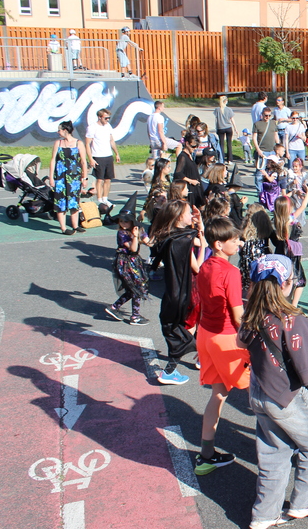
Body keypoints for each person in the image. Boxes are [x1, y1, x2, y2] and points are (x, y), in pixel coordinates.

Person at [237, 254, 308, 529]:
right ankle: (303, 502)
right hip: (285, 395)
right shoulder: (293, 318)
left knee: (273, 452)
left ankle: (264, 514)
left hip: (259, 389)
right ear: (287, 284)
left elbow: (241, 341)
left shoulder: (252, 313)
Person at [195, 217, 251, 476]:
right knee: (260, 390)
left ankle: (206, 455)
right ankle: (281, 445)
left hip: (206, 335)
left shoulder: (205, 266)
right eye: (234, 240)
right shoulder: (231, 272)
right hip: (226, 338)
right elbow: (238, 316)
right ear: (219, 244)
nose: (239, 243)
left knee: (218, 394)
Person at [149, 199, 207, 385]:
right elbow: (197, 265)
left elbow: (197, 238)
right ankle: (171, 370)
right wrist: (203, 247)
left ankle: (200, 357)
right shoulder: (182, 241)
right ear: (179, 216)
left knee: (184, 329)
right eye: (189, 212)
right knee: (186, 330)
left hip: (175, 291)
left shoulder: (171, 236)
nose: (191, 215)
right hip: (187, 291)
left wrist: (199, 225)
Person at [106, 194, 150, 325]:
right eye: (121, 221)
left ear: (132, 221)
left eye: (126, 221)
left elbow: (149, 242)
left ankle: (114, 307)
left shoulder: (139, 230)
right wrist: (135, 237)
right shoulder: (122, 233)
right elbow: (133, 249)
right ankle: (135, 317)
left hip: (134, 262)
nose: (123, 224)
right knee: (136, 287)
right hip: (125, 262)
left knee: (135, 288)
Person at [46, 120, 88, 235]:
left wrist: (84, 178)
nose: (58, 132)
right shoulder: (58, 143)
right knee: (61, 202)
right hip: (60, 177)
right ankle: (63, 228)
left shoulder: (78, 143)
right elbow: (53, 160)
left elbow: (83, 162)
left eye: (59, 130)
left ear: (65, 130)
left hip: (74, 177)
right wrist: (51, 177)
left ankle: (75, 226)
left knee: (74, 201)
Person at [270, 194, 308, 306]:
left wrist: (292, 193)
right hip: (291, 253)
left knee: (285, 280)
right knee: (299, 279)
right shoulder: (289, 219)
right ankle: (293, 305)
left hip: (283, 251)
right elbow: (303, 206)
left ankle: (284, 302)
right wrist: (307, 193)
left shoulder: (278, 220)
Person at [84, 108, 121, 208]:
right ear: (99, 117)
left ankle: (105, 199)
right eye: (106, 118)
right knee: (99, 179)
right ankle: (99, 200)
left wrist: (116, 153)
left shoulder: (108, 126)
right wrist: (91, 158)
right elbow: (87, 144)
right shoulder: (92, 127)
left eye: (109, 118)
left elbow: (111, 140)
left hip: (108, 155)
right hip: (98, 156)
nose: (107, 120)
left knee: (108, 179)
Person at [239, 204, 272, 294]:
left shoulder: (244, 229)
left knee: (249, 281)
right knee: (262, 281)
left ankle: (250, 296)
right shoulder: (266, 228)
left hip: (248, 258)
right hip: (262, 257)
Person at [174, 133, 205, 208]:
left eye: (196, 146)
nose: (195, 148)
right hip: (190, 187)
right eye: (193, 146)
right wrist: (191, 181)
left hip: (195, 186)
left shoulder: (190, 155)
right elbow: (178, 173)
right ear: (187, 143)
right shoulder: (182, 157)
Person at [213, 95, 238, 163]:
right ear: (225, 101)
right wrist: (235, 128)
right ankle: (229, 159)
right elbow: (232, 119)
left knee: (221, 144)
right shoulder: (229, 109)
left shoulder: (217, 110)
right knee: (229, 143)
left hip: (220, 127)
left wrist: (216, 127)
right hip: (228, 127)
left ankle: (221, 159)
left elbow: (216, 120)